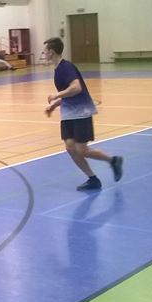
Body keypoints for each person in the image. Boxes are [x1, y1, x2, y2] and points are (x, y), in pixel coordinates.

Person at [41, 37, 123, 191]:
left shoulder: (66, 67)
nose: (43, 54)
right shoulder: (58, 69)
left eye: (44, 51)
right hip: (69, 113)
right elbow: (68, 93)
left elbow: (76, 88)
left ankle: (113, 161)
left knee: (82, 150)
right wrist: (54, 105)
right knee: (70, 147)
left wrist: (56, 95)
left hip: (81, 112)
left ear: (51, 52)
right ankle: (93, 179)